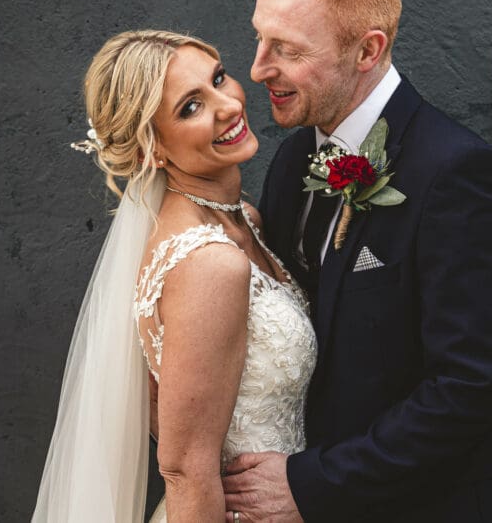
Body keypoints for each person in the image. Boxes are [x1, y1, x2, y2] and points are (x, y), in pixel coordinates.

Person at [223, 0, 492, 522]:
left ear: (367, 51)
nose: (258, 68)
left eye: (288, 49)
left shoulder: (456, 173)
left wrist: (313, 484)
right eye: (259, 39)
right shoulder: (294, 160)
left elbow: (472, 388)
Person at [32, 30, 317, 522]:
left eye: (218, 79)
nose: (228, 105)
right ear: (151, 151)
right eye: (190, 107)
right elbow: (186, 468)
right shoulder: (209, 262)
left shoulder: (244, 220)